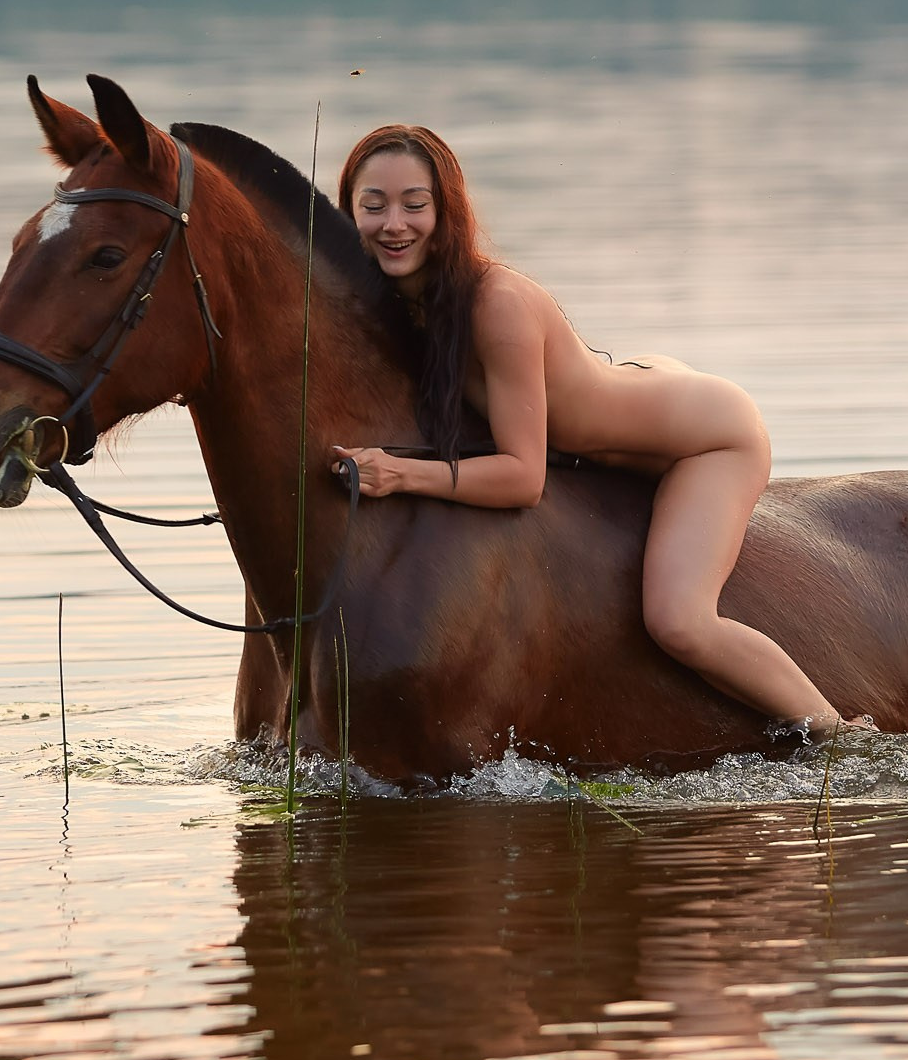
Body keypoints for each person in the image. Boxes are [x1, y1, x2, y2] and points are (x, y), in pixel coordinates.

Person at [328, 125, 852, 741]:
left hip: (709, 438)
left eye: (414, 205)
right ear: (348, 213)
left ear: (446, 212)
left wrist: (399, 472)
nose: (394, 224)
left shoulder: (495, 304)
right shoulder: (393, 302)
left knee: (680, 620)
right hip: (629, 391)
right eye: (373, 206)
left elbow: (523, 478)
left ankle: (839, 735)